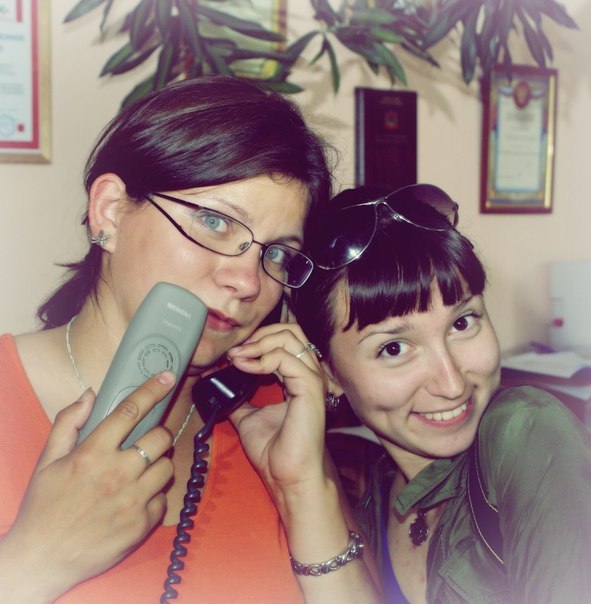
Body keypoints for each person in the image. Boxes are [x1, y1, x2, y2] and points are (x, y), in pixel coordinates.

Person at [0, 77, 381, 603]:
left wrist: (304, 491)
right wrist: (32, 562)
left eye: (275, 254)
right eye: (215, 222)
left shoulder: (271, 418)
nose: (247, 282)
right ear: (110, 210)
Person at [292, 184, 591, 603]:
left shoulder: (527, 432)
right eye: (394, 348)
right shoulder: (373, 498)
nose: (452, 384)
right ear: (327, 373)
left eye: (462, 323)